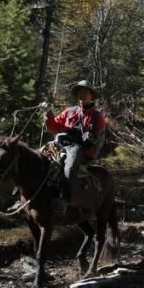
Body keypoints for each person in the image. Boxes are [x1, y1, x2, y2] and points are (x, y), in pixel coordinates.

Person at [45, 81, 106, 211]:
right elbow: (54, 125)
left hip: (81, 149)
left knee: (70, 165)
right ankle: (20, 196)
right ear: (76, 95)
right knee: (39, 155)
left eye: (85, 92)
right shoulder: (69, 112)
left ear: (91, 95)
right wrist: (49, 117)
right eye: (80, 92)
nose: (82, 94)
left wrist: (90, 156)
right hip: (62, 144)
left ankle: (64, 199)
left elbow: (100, 140)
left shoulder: (97, 117)